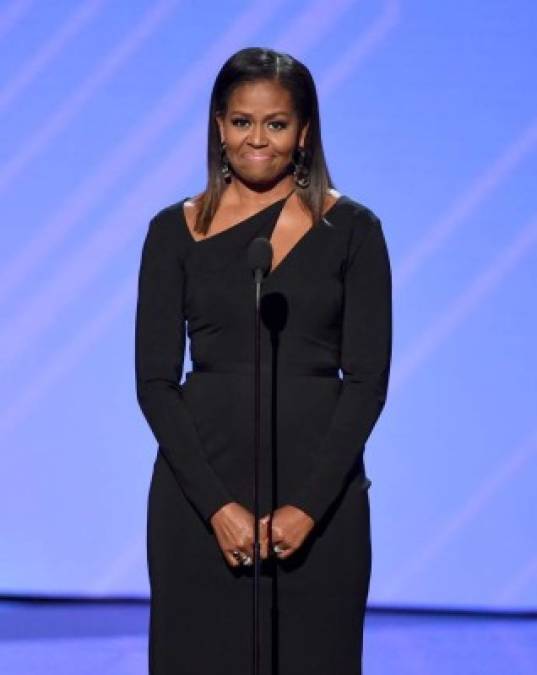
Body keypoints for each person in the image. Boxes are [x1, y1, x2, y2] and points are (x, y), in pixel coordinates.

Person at [135, 47, 392, 675]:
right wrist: (218, 508)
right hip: (198, 501)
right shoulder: (175, 230)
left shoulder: (353, 229)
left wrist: (308, 506)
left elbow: (366, 381)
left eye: (275, 123)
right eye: (242, 121)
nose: (258, 139)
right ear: (219, 127)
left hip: (320, 501)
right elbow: (155, 381)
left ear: (303, 132)